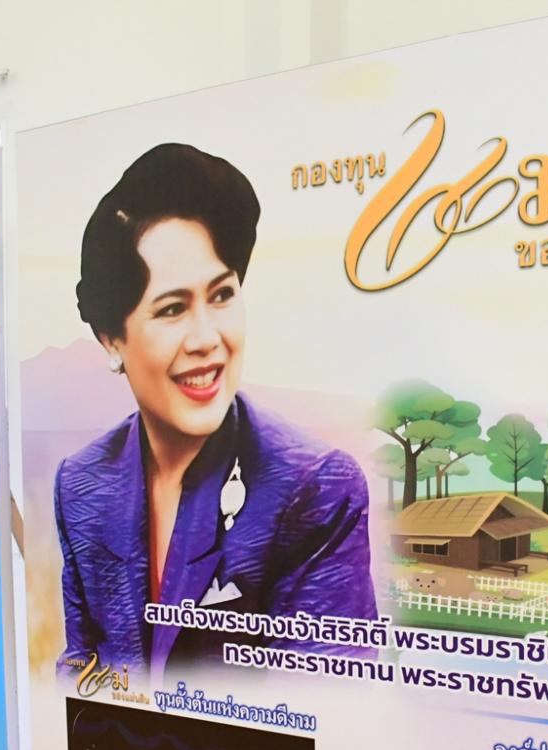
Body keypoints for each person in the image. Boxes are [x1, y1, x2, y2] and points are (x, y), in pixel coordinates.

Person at [55, 143, 377, 679]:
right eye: (173, 308)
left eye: (222, 295)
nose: (207, 339)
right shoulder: (82, 484)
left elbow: (328, 704)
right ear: (112, 339)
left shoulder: (316, 490)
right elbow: (81, 667)